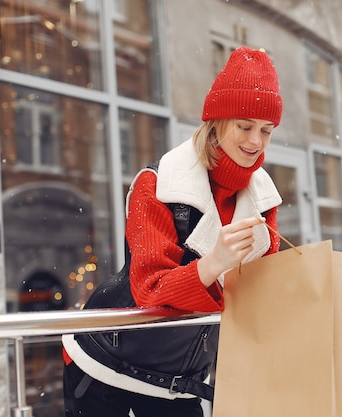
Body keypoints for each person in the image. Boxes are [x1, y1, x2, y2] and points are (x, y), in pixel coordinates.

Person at [62, 46, 283, 417]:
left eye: (266, 130)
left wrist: (318, 272)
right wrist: (212, 264)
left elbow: (263, 283)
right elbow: (148, 287)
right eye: (244, 126)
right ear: (216, 122)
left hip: (183, 380)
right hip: (106, 364)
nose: (255, 142)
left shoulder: (262, 196)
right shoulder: (157, 184)